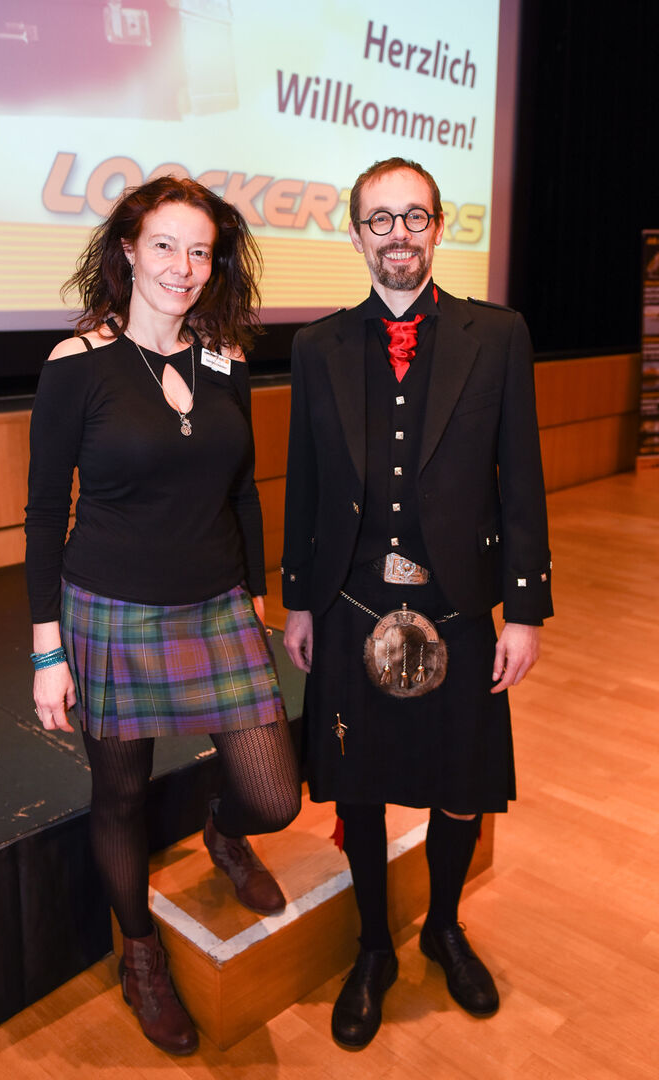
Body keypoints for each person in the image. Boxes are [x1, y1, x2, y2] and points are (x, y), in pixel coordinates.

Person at [25, 175, 300, 1055]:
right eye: (166, 246)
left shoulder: (226, 360)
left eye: (200, 252)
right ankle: (139, 954)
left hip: (217, 602)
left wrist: (256, 593)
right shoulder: (78, 363)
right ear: (129, 252)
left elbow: (243, 489)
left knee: (273, 796)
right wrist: (47, 651)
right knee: (120, 795)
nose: (184, 267)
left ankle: (224, 831)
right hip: (109, 607)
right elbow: (44, 512)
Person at [282, 157, 552, 1049]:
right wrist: (298, 600)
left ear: (439, 227)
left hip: (461, 611)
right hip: (351, 606)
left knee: (460, 784)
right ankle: (374, 948)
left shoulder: (498, 334)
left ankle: (442, 927)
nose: (397, 233)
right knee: (358, 788)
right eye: (380, 218)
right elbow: (305, 484)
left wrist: (524, 610)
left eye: (414, 216)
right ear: (356, 233)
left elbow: (522, 481)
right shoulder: (316, 346)